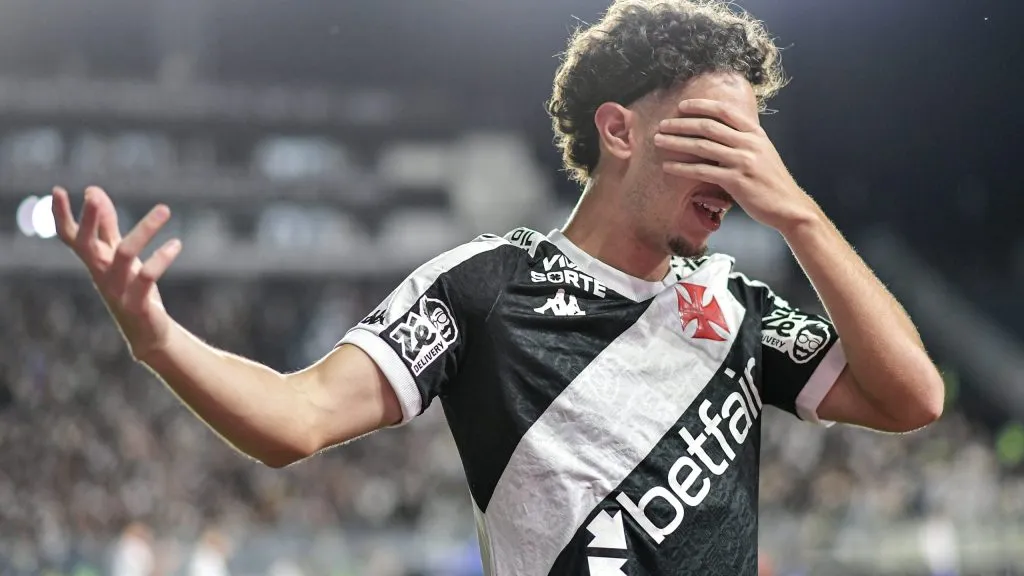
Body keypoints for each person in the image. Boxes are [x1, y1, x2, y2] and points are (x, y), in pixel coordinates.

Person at [51, 1, 945, 574]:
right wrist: (158, 339)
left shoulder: (734, 302)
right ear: (620, 131)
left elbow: (914, 398)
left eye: (754, 144)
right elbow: (297, 420)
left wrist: (800, 218)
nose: (743, 168)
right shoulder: (484, 284)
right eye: (717, 136)